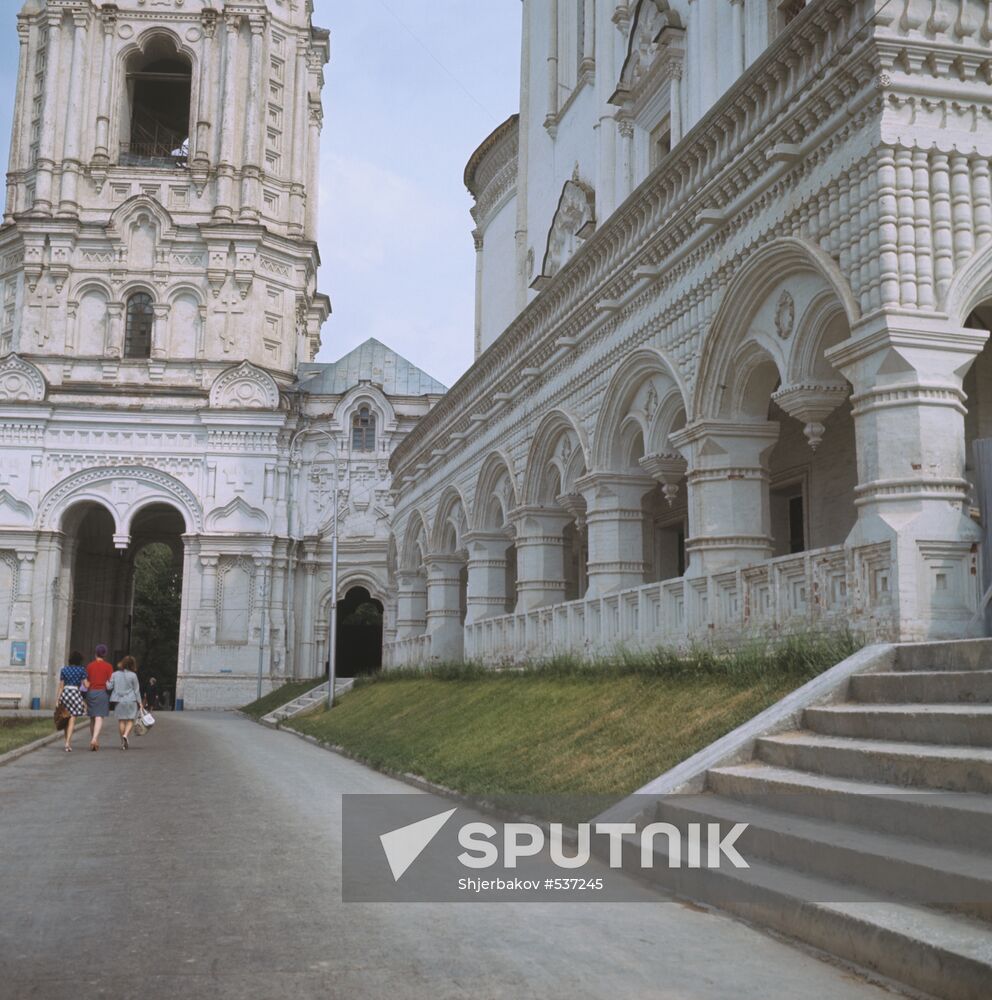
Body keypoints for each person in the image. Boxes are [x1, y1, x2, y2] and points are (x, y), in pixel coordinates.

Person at [54, 651, 88, 752]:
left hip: (65, 693)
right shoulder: (82, 670)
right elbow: (86, 685)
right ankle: (68, 743)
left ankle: (67, 742)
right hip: (75, 693)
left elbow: (61, 686)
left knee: (65, 717)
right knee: (72, 719)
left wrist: (57, 699)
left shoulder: (64, 669)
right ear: (80, 660)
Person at [84, 644, 114, 751]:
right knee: (99, 717)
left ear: (95, 653)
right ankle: (94, 739)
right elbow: (110, 682)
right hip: (102, 693)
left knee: (92, 718)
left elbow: (86, 682)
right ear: (105, 654)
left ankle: (94, 740)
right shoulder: (109, 666)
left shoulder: (89, 666)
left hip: (91, 692)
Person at [109, 656, 142, 751]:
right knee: (130, 720)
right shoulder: (133, 675)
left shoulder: (115, 674)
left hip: (119, 701)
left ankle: (123, 742)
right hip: (131, 700)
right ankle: (126, 735)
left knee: (121, 721)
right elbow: (136, 690)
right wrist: (140, 702)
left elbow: (109, 686)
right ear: (133, 665)